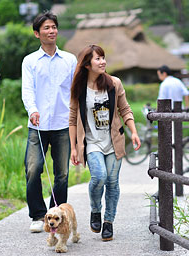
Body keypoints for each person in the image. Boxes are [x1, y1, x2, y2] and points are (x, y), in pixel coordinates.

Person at [69, 45, 141, 241]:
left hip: (113, 141)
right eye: (97, 59)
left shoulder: (114, 83)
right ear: (86, 65)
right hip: (91, 143)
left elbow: (125, 110)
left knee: (112, 182)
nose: (102, 62)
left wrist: (134, 132)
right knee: (99, 177)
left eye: (103, 58)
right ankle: (95, 209)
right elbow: (73, 118)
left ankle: (108, 222)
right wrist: (74, 148)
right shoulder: (79, 88)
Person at [21, 11, 77, 233]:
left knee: (61, 172)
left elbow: (75, 92)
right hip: (38, 125)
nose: (51, 30)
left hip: (63, 124)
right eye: (46, 28)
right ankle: (37, 215)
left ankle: (60, 214)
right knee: (33, 168)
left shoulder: (70, 60)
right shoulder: (30, 61)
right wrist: (32, 110)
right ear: (37, 33)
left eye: (54, 27)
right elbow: (27, 90)